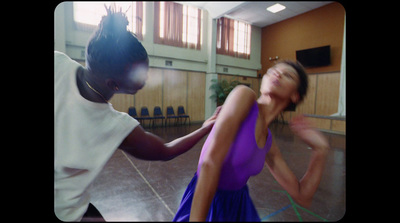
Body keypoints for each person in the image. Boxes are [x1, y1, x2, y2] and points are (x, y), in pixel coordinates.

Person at [54, 5, 219, 222]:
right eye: (139, 75)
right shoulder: (116, 126)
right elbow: (166, 150)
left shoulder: (57, 61)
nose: (145, 79)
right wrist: (205, 128)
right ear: (113, 84)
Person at [173, 60, 330, 222]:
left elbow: (302, 195)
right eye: (273, 70)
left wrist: (321, 150)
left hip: (238, 206)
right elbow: (209, 163)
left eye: (287, 75)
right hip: (206, 201)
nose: (277, 73)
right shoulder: (244, 95)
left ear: (295, 96)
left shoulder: (268, 142)